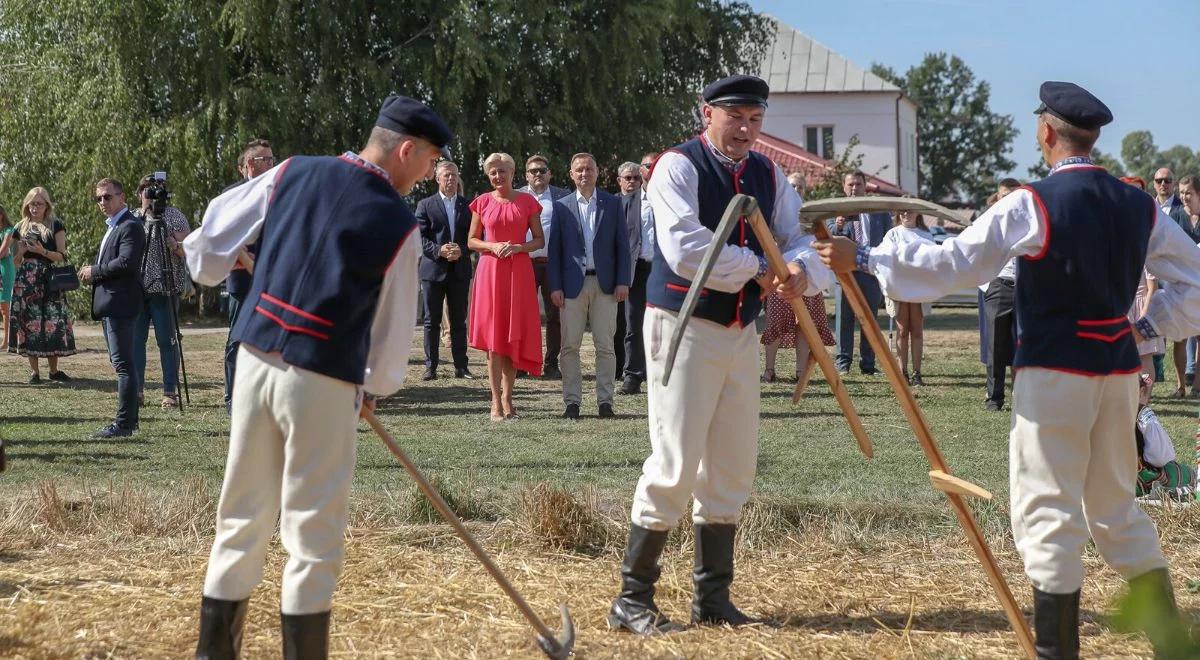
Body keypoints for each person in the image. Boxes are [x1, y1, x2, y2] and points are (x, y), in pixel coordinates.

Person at [815, 81, 1200, 657]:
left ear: (1046, 132)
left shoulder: (1032, 203)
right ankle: (1173, 643)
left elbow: (955, 263)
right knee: (1116, 509)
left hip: (1054, 373)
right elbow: (1195, 280)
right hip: (1119, 374)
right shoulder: (1138, 204)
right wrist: (1143, 331)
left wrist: (867, 257)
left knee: (1046, 511)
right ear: (1092, 139)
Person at [185, 95, 446, 657]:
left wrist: (213, 265)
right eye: (428, 162)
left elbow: (209, 242)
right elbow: (395, 333)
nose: (427, 174)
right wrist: (373, 386)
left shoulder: (291, 169)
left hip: (254, 361)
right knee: (311, 536)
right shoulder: (400, 223)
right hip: (323, 379)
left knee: (240, 516)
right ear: (406, 149)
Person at [609, 74, 830, 635]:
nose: (746, 130)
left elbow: (795, 236)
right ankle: (632, 599)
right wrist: (762, 268)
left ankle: (712, 599)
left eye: (755, 120)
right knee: (674, 461)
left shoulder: (768, 173)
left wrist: (801, 269)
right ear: (706, 113)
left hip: (738, 330)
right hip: (683, 324)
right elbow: (684, 248)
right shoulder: (677, 166)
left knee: (731, 463)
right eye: (736, 118)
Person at [548, 153, 630, 420]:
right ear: (571, 174)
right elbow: (555, 250)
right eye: (579, 170)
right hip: (572, 286)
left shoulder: (613, 203)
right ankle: (572, 402)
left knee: (605, 345)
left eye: (589, 169)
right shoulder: (561, 206)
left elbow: (622, 247)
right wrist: (555, 286)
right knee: (569, 346)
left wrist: (622, 281)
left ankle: (605, 402)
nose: (584, 174)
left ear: (597, 172)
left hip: (605, 285)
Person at [467, 152, 545, 421]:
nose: (498, 176)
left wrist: (518, 248)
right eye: (493, 172)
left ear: (513, 173)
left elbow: (539, 240)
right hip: (490, 272)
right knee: (493, 339)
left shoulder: (527, 201)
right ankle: (494, 402)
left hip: (519, 270)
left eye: (502, 171)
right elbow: (471, 241)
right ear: (488, 175)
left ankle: (508, 399)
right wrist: (492, 245)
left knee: (513, 335)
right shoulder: (482, 202)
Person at [80, 179, 146, 438]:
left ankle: (124, 425)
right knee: (122, 364)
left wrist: (94, 271)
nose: (102, 203)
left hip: (121, 303)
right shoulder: (115, 226)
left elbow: (127, 263)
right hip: (112, 304)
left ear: (122, 197)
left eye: (107, 197)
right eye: (98, 199)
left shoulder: (130, 226)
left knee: (123, 365)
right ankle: (130, 420)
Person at [222, 138, 275, 414]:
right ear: (247, 166)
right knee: (238, 340)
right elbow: (225, 235)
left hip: (275, 278)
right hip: (243, 279)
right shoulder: (232, 196)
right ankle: (233, 397)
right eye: (264, 159)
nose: (270, 164)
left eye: (272, 159)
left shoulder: (280, 193)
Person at [131, 175, 191, 409]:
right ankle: (136, 391)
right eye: (147, 191)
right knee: (136, 341)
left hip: (166, 287)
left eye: (157, 191)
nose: (152, 195)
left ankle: (169, 392)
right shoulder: (134, 217)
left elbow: (189, 249)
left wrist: (175, 245)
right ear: (139, 194)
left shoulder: (174, 216)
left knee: (167, 341)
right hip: (138, 288)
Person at [9, 187, 76, 382]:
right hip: (25, 281)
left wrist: (41, 251)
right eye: (31, 204)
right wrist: (21, 252)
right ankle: (34, 372)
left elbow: (62, 256)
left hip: (49, 280)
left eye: (38, 203)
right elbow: (14, 261)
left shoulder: (55, 225)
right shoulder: (20, 227)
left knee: (51, 323)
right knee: (29, 323)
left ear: (47, 205)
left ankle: (54, 371)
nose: (34, 208)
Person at [415, 160, 474, 380]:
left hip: (459, 270)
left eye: (454, 175)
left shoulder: (468, 206)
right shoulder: (425, 205)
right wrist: (439, 250)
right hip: (433, 271)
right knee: (431, 320)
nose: (451, 179)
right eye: (446, 175)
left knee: (459, 320)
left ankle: (461, 366)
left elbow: (476, 238)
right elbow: (419, 237)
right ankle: (431, 367)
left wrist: (462, 250)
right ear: (437, 178)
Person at [829, 171, 889, 375]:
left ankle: (868, 365)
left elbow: (887, 241)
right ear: (844, 187)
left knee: (869, 320)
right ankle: (842, 363)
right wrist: (837, 226)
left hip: (870, 272)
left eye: (858, 184)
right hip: (845, 272)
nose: (854, 188)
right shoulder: (836, 210)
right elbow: (825, 236)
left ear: (865, 186)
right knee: (844, 319)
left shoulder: (878, 212)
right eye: (850, 185)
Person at [518, 154, 571, 379]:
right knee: (522, 315)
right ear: (526, 175)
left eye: (542, 170)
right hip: (523, 263)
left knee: (555, 316)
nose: (538, 174)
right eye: (533, 171)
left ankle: (551, 363)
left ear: (550, 173)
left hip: (552, 264)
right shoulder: (516, 196)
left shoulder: (563, 197)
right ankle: (521, 363)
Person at [618, 152, 659, 395]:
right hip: (637, 269)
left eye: (656, 165)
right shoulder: (628, 201)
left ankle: (663, 374)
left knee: (666, 324)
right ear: (641, 170)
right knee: (634, 324)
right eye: (647, 165)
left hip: (665, 269)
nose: (651, 169)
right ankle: (633, 375)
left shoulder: (671, 198)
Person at [880, 208, 934, 385]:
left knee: (917, 331)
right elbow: (886, 256)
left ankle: (917, 373)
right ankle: (902, 372)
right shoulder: (892, 234)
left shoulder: (925, 235)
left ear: (918, 213)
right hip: (900, 287)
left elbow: (933, 258)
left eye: (910, 211)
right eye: (902, 211)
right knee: (902, 330)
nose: (906, 214)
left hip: (919, 287)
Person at [1121, 176, 1166, 385]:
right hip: (1120, 305)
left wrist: (1145, 317)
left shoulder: (1147, 235)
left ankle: (1142, 406)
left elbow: (1152, 286)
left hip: (1141, 304)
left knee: (1145, 358)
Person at [981, 179, 1020, 411]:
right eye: (1005, 195)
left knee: (1023, 345)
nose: (1009, 199)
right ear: (998, 197)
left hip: (1025, 286)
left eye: (1014, 195)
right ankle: (994, 398)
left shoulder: (1028, 222)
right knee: (995, 345)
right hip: (999, 285)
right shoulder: (989, 222)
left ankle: (1020, 398)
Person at [1134, 374, 1196, 502]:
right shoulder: (1142, 416)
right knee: (1178, 473)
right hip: (1136, 477)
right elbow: (1160, 457)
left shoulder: (1099, 412)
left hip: (1107, 474)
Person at [613, 162, 646, 384]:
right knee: (617, 323)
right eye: (628, 178)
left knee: (635, 322)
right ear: (619, 180)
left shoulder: (647, 204)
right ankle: (618, 368)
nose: (632, 181)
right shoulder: (611, 203)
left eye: (636, 177)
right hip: (616, 269)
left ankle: (634, 370)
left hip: (642, 267)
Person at [0, 205, 15, 351]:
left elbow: (3, 251)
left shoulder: (8, 231)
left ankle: (6, 342)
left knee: (5, 307)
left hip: (4, 269)